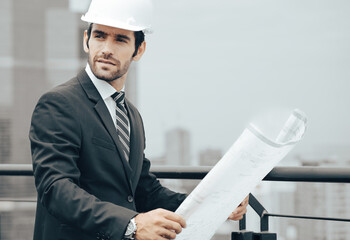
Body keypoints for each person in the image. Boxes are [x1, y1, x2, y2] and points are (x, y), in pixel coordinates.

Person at [29, 0, 249, 239]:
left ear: (139, 49)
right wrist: (131, 224)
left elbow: (143, 190)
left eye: (120, 40)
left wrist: (215, 205)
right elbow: (56, 189)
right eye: (100, 36)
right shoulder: (59, 103)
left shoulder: (130, 115)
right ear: (86, 40)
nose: (106, 49)